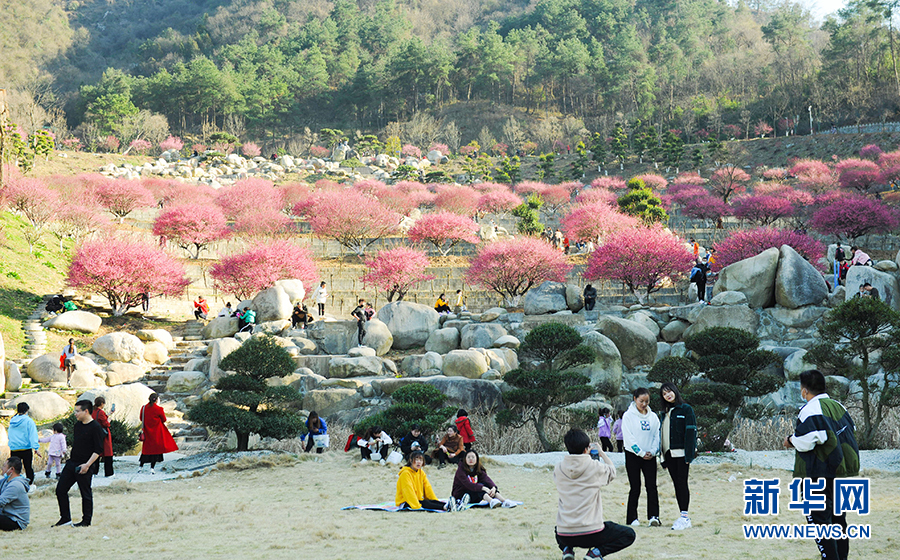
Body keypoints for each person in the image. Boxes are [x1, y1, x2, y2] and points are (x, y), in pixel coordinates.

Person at [784, 370, 860, 560]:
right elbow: (852, 430)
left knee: (819, 523)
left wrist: (789, 440)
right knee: (839, 521)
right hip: (842, 474)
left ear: (804, 391)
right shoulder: (839, 406)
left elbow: (808, 439)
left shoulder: (810, 409)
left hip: (819, 474)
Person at [554, 428, 636, 560]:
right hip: (591, 532)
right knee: (629, 534)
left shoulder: (558, 468)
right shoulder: (595, 466)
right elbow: (612, 472)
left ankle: (567, 550)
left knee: (558, 528)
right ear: (587, 449)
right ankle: (596, 553)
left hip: (565, 534)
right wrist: (601, 453)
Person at [53, 399, 104, 528]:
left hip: (85, 465)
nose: (75, 414)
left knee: (85, 493)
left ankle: (86, 521)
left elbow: (98, 450)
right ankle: (65, 518)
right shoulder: (78, 426)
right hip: (72, 463)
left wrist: (87, 465)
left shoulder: (96, 428)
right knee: (60, 490)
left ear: (86, 411)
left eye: (77, 411)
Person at [659, 382, 696, 530]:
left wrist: (689, 455)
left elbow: (691, 432)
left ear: (675, 391)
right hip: (668, 454)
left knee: (682, 483)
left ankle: (685, 517)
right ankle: (682, 515)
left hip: (681, 454)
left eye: (669, 391)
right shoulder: (665, 412)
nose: (668, 395)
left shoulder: (686, 409)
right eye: (664, 394)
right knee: (676, 484)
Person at [622, 387, 661, 527]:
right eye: (641, 401)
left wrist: (652, 451)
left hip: (650, 456)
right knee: (635, 487)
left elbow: (657, 435)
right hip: (633, 455)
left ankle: (654, 516)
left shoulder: (653, 417)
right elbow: (629, 438)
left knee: (651, 486)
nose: (644, 404)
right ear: (635, 399)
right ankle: (632, 518)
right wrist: (641, 453)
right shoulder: (628, 416)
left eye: (647, 401)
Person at [139, 393, 178, 474]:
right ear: (157, 400)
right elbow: (164, 419)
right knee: (155, 450)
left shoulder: (144, 408)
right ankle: (152, 468)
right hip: (156, 432)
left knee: (146, 450)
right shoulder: (159, 409)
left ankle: (140, 467)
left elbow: (141, 418)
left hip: (147, 432)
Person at [8, 402, 40, 487]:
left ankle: (13, 485)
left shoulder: (12, 421)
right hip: (26, 448)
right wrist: (36, 448)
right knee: (28, 468)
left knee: (14, 469)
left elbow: (10, 434)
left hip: (14, 448)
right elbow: (33, 435)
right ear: (27, 410)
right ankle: (29, 485)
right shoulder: (28, 421)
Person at [0, 457, 30, 531]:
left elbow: (1, 501)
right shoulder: (5, 481)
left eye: (4, 466)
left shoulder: (15, 485)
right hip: (7, 515)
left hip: (16, 521)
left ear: (11, 469)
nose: (2, 468)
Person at [92, 397, 114, 477]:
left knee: (96, 453)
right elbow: (105, 423)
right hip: (104, 435)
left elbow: (99, 419)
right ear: (102, 404)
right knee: (108, 454)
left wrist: (108, 414)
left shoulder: (93, 411)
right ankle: (109, 473)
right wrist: (109, 421)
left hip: (96, 434)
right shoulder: (100, 412)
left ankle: (94, 472)